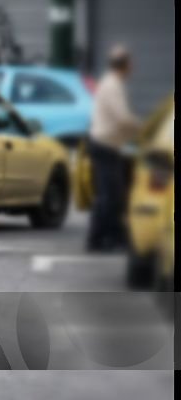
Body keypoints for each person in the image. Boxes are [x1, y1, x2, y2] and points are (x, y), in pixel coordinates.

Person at [86, 45, 142, 252]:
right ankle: (105, 238)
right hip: (105, 146)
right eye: (130, 63)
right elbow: (122, 118)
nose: (132, 67)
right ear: (125, 64)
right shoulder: (113, 85)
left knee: (110, 194)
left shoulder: (111, 83)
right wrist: (143, 130)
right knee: (111, 194)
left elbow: (119, 120)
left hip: (106, 145)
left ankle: (102, 238)